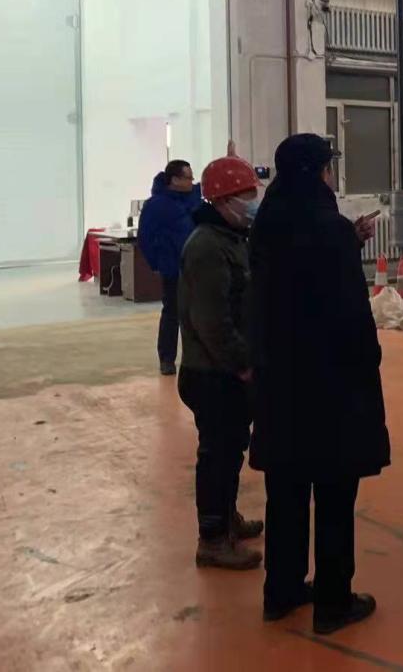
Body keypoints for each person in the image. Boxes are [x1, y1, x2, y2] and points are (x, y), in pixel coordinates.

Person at [249, 134, 389, 636]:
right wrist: (368, 361)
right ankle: (333, 602)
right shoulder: (328, 228)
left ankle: (282, 590)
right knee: (333, 493)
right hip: (330, 384)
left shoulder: (268, 221)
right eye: (329, 167)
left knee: (286, 491)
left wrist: (348, 240)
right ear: (318, 172)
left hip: (280, 381)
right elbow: (346, 311)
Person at [176, 155, 263, 570]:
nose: (253, 202)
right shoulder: (207, 246)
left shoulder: (231, 237)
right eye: (247, 195)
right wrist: (241, 363)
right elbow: (211, 320)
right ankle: (212, 538)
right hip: (213, 372)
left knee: (230, 451)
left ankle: (227, 518)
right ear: (225, 200)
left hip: (224, 370)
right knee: (217, 455)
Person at [138, 159, 202, 376]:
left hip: (196, 266)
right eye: (188, 178)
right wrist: (157, 262)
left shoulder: (193, 198)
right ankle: (167, 359)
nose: (192, 182)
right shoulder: (156, 205)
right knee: (172, 313)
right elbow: (145, 237)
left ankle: (195, 358)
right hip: (173, 268)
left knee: (197, 314)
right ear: (174, 180)